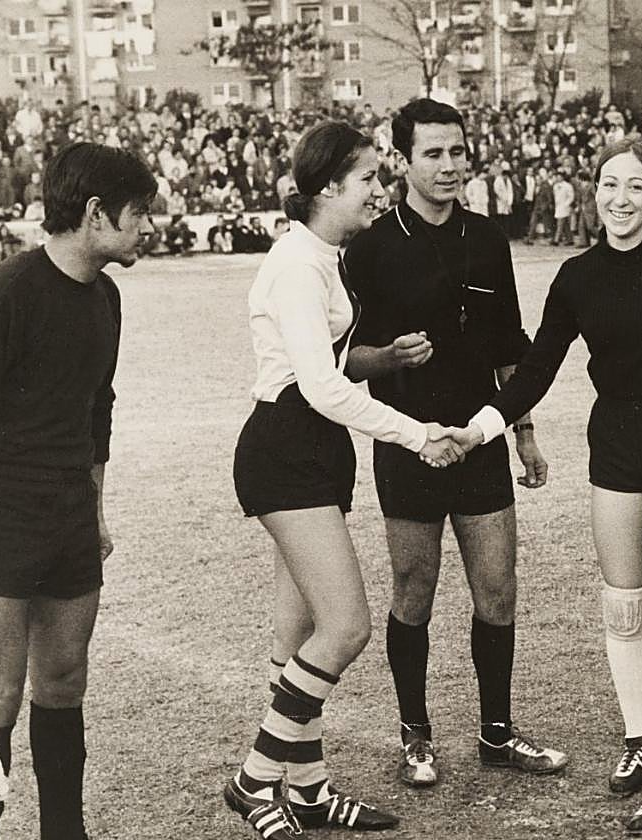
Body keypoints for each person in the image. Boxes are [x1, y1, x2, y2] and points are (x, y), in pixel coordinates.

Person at [456, 137, 642, 836]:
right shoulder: (576, 277)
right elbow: (536, 369)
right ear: (594, 192)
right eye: (609, 184)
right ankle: (639, 742)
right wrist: (481, 429)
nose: (619, 198)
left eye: (636, 186)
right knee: (623, 609)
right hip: (614, 443)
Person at [224, 120, 464, 839]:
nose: (378, 191)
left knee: (296, 634)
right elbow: (321, 388)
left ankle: (309, 792)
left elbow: (331, 365)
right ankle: (254, 779)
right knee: (347, 627)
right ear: (328, 185)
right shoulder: (298, 264)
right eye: (367, 178)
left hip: (315, 453)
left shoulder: (322, 255)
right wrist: (418, 433)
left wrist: (384, 357)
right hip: (287, 451)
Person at [0, 142, 157, 840]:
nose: (149, 227)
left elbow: (99, 410)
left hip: (66, 520)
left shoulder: (107, 298)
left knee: (63, 685)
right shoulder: (1, 295)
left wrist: (93, 512)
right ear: (96, 214)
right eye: (139, 213)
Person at [343, 98, 568, 790]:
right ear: (402, 159)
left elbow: (509, 345)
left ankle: (497, 734)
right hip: (409, 444)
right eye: (433, 153)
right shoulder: (372, 247)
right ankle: (416, 734)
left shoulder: (488, 238)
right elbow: (341, 360)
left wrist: (523, 434)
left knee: (497, 591)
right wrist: (389, 359)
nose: (448, 165)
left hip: (477, 442)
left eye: (457, 152)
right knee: (413, 590)